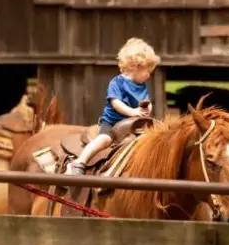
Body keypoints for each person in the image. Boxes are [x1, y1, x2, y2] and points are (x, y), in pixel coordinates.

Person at [65, 37, 160, 176]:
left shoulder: (142, 85)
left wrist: (147, 109)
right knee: (104, 140)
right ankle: (80, 162)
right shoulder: (117, 83)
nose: (149, 75)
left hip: (134, 123)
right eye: (148, 71)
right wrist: (132, 111)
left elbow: (146, 101)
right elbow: (116, 103)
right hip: (113, 122)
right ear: (136, 67)